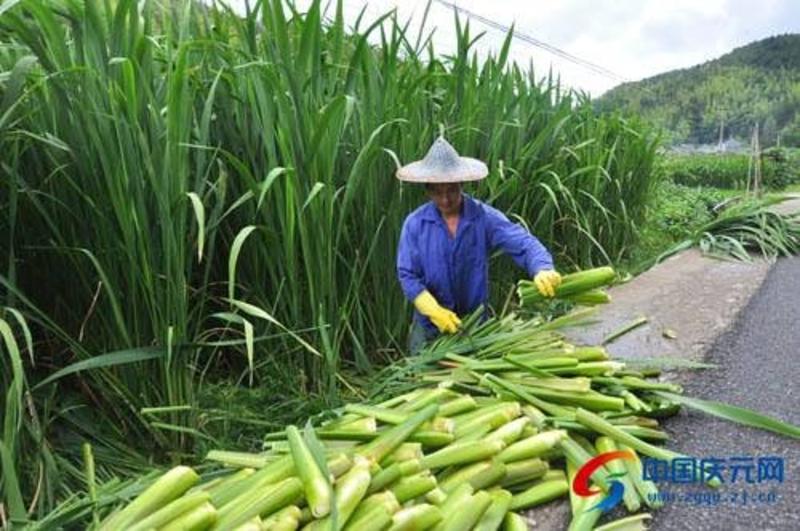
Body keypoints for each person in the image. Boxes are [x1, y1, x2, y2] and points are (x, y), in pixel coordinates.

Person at [395, 136, 562, 353]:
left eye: (451, 191)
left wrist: (543, 268)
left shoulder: (483, 217)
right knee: (426, 382)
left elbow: (523, 243)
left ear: (461, 185)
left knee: (473, 383)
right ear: (428, 190)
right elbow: (407, 275)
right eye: (437, 192)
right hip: (429, 326)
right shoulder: (415, 224)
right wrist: (433, 309)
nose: (445, 200)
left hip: (474, 325)